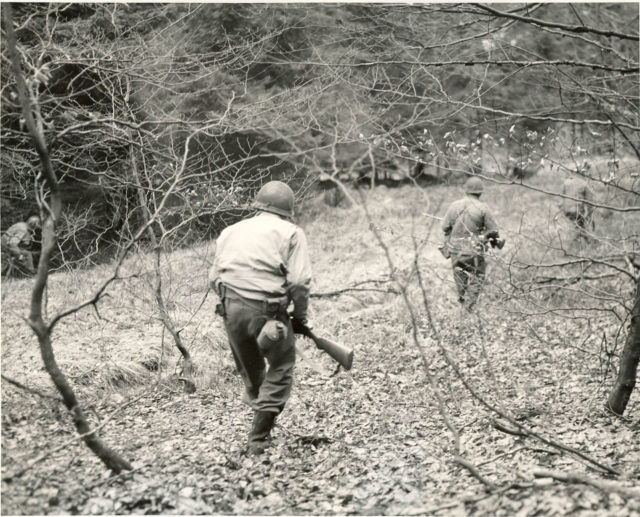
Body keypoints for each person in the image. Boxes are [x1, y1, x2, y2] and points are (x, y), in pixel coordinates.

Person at [208, 181, 312, 456]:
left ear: (258, 204)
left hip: (230, 310)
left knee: (252, 372)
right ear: (287, 210)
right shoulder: (291, 232)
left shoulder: (230, 231)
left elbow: (213, 277)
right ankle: (259, 438)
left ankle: (260, 415)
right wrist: (299, 317)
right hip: (268, 313)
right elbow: (300, 282)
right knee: (280, 368)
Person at [441, 177, 503, 311]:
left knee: (459, 276)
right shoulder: (483, 208)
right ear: (480, 192)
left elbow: (445, 227)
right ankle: (469, 307)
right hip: (474, 251)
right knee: (477, 276)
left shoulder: (454, 205)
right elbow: (493, 230)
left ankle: (463, 304)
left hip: (455, 250)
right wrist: (490, 239)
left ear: (466, 190)